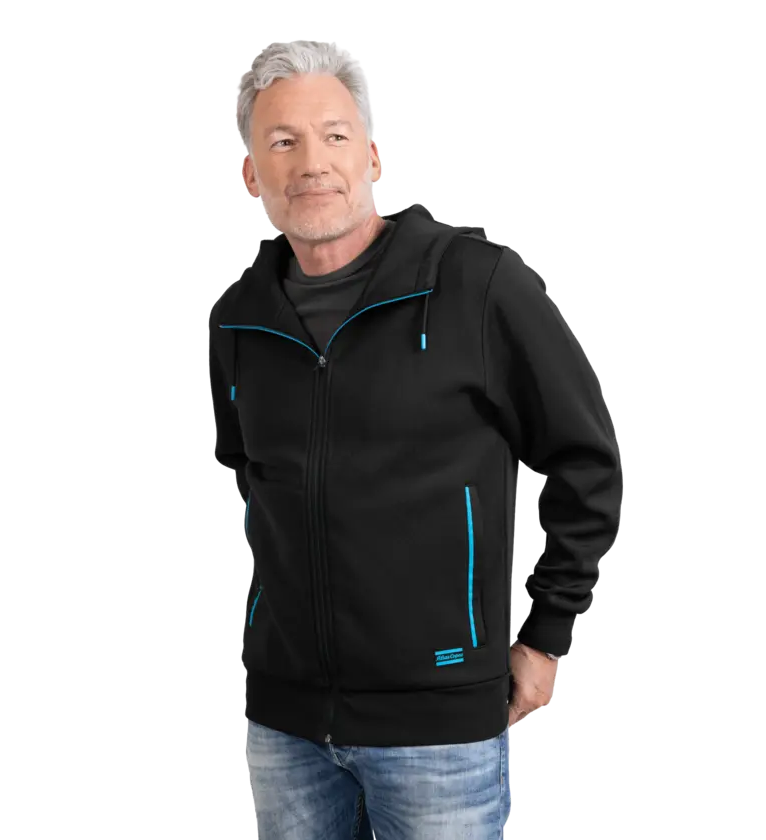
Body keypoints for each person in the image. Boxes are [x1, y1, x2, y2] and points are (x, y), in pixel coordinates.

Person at [214, 40, 623, 839]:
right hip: (285, 723)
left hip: (439, 728)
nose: (312, 163)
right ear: (251, 174)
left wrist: (547, 635)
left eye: (334, 136)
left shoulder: (478, 284)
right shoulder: (238, 320)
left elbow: (587, 465)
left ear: (372, 156)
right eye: (283, 142)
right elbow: (251, 478)